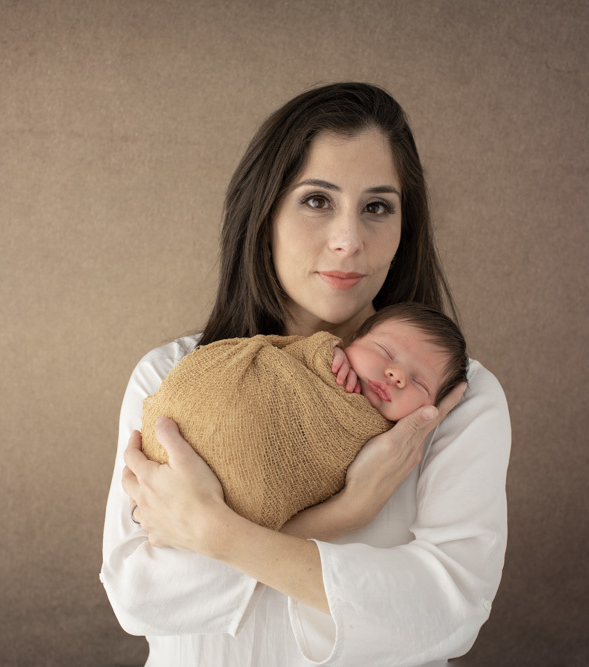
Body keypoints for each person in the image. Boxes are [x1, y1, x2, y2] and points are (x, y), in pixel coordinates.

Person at [101, 82, 510, 666]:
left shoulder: (451, 401)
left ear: (404, 227)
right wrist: (344, 513)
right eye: (317, 200)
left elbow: (448, 613)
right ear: (262, 211)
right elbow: (139, 596)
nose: (348, 242)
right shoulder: (171, 377)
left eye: (377, 207)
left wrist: (216, 535)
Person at [139, 301, 469, 531]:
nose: (397, 374)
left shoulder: (394, 448)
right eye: (385, 352)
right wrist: (322, 353)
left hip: (253, 493)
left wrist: (351, 508)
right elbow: (286, 356)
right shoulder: (320, 354)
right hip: (199, 418)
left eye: (420, 382)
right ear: (352, 341)